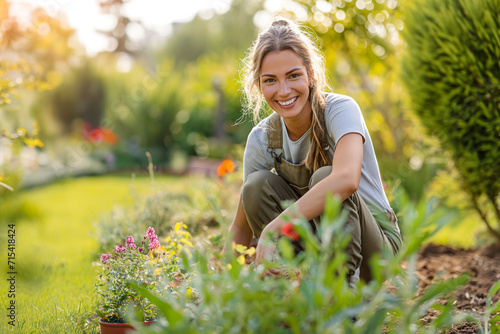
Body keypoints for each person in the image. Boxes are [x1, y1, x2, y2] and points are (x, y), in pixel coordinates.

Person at [224, 17, 402, 282]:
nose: (283, 91)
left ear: (311, 74)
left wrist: (275, 228)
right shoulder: (262, 138)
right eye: (270, 80)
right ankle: (293, 286)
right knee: (255, 185)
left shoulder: (340, 111)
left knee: (326, 178)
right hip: (316, 247)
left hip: (374, 253)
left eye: (293, 75)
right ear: (259, 86)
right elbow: (240, 226)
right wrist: (226, 289)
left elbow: (346, 180)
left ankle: (342, 295)